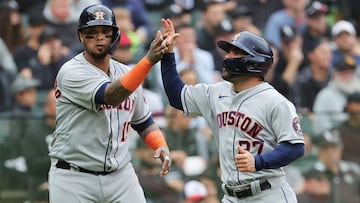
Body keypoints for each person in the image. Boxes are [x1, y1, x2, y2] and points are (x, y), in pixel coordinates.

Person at [160, 20, 305, 202]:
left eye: (235, 52)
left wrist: (258, 162)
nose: (227, 57)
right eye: (228, 51)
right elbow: (176, 96)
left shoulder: (275, 102)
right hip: (230, 195)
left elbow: (295, 147)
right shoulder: (216, 92)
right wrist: (168, 55)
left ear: (253, 62)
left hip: (268, 194)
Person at [48, 5, 172, 203]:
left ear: (115, 36)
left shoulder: (127, 73)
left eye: (106, 32)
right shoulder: (70, 72)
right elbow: (110, 96)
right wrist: (148, 60)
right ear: (80, 36)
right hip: (74, 177)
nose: (99, 37)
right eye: (91, 33)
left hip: (121, 176)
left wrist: (160, 145)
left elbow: (142, 121)